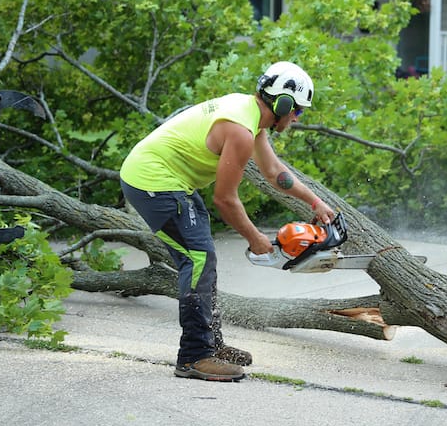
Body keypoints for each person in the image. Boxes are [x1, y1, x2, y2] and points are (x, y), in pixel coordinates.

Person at [119, 61, 336, 382]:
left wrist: (315, 202)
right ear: (283, 103)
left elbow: (275, 172)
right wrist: (255, 238)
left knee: (202, 258)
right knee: (198, 258)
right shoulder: (239, 130)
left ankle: (211, 344)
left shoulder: (251, 117)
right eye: (298, 111)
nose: (296, 118)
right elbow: (225, 200)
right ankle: (194, 356)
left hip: (170, 182)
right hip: (152, 180)